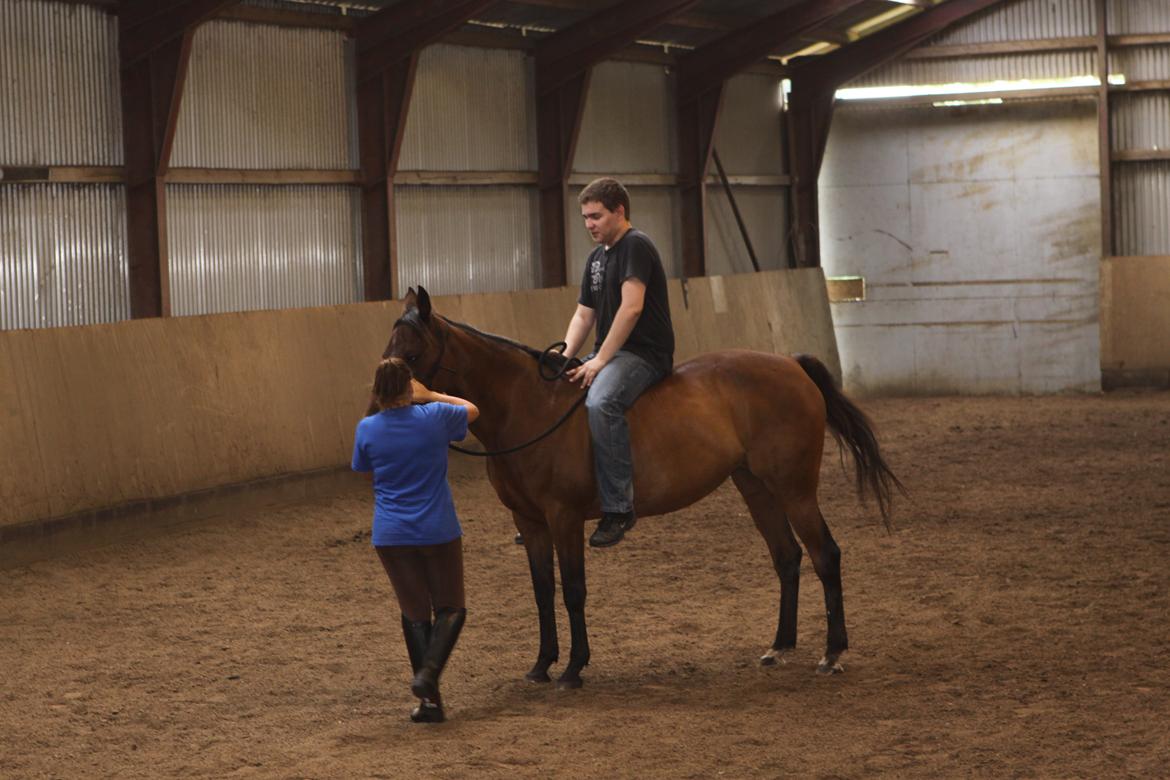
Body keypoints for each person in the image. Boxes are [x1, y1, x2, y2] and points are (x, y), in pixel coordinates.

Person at [351, 358, 479, 723]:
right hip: (437, 526)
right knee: (451, 607)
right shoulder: (435, 417)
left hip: (391, 532)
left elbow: (366, 474)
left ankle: (430, 704)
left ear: (376, 391)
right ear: (410, 388)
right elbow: (473, 410)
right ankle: (428, 675)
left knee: (415, 613)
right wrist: (432, 394)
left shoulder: (367, 428)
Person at [563, 177, 675, 548]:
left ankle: (618, 507)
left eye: (595, 216)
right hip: (610, 352)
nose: (589, 224)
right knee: (558, 394)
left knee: (602, 401)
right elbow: (583, 316)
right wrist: (564, 357)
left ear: (619, 211)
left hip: (644, 353)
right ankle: (562, 501)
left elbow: (632, 308)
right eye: (585, 218)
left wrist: (598, 362)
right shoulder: (596, 259)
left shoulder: (635, 246)